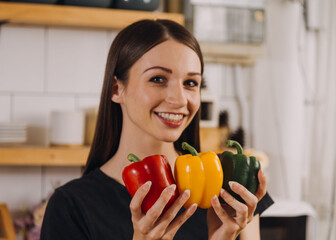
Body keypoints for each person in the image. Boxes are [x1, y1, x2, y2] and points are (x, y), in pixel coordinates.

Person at [40, 19, 273, 240]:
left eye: (191, 83)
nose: (180, 99)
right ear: (116, 89)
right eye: (158, 79)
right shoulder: (71, 206)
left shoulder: (230, 191)